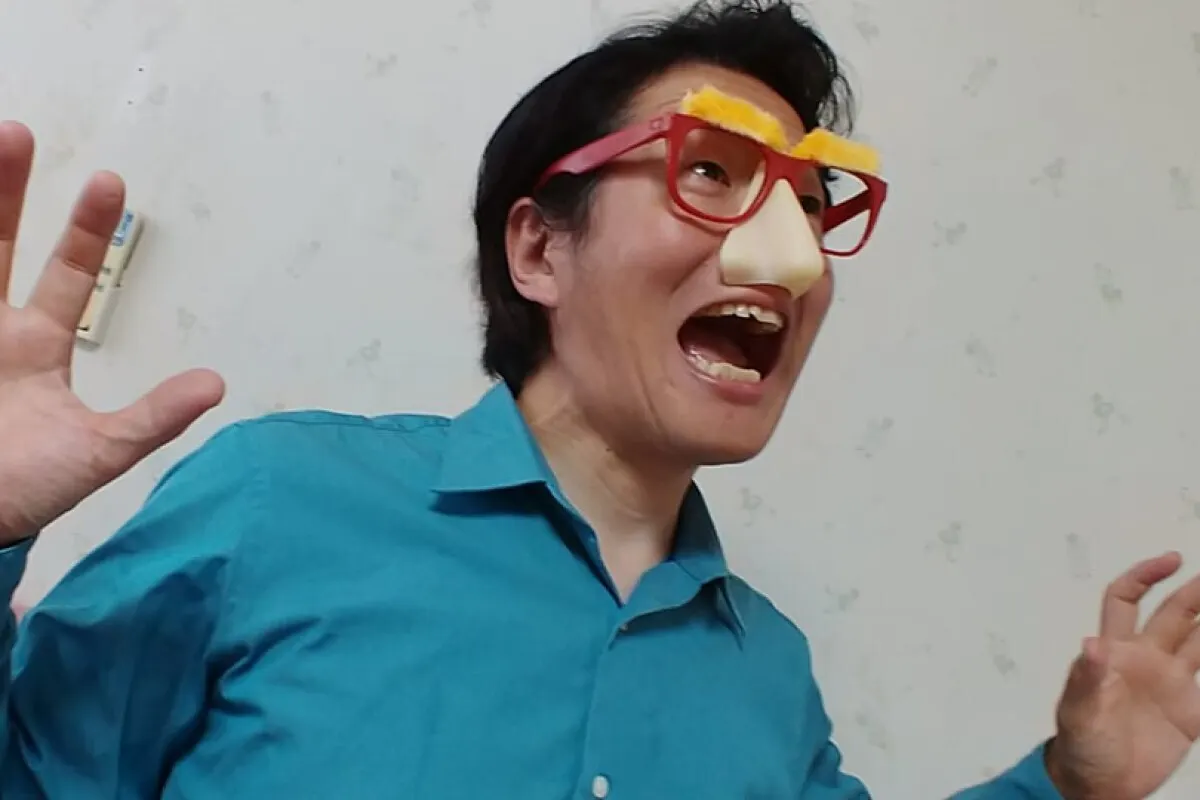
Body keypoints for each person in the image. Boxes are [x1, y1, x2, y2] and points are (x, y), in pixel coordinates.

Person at [0, 0, 1197, 797]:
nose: (791, 259)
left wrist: (1070, 783)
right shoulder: (279, 502)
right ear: (538, 248)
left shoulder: (770, 676)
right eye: (710, 172)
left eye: (811, 206)